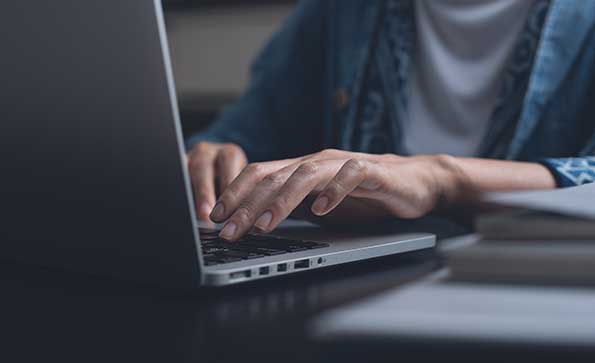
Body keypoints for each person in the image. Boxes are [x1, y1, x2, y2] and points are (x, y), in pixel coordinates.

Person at [185, 0, 595, 241]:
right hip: (352, 294)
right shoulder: (341, 13)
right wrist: (214, 159)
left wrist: (441, 179)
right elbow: (246, 135)